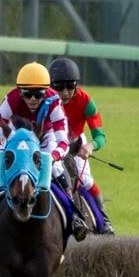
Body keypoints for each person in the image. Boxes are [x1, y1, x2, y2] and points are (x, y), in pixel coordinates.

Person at [0, 61, 87, 240]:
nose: (33, 100)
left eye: (38, 94)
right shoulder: (10, 100)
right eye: (27, 94)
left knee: (57, 169)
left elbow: (63, 142)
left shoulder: (54, 102)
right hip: (18, 137)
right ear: (20, 91)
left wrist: (52, 158)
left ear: (46, 91)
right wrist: (2, 152)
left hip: (44, 137)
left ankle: (73, 217)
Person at [50, 57, 114, 234]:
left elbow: (100, 136)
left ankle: (104, 221)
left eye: (71, 86)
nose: (65, 93)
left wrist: (91, 146)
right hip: (50, 142)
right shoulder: (43, 99)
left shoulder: (86, 101)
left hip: (76, 144)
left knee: (85, 181)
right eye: (59, 87)